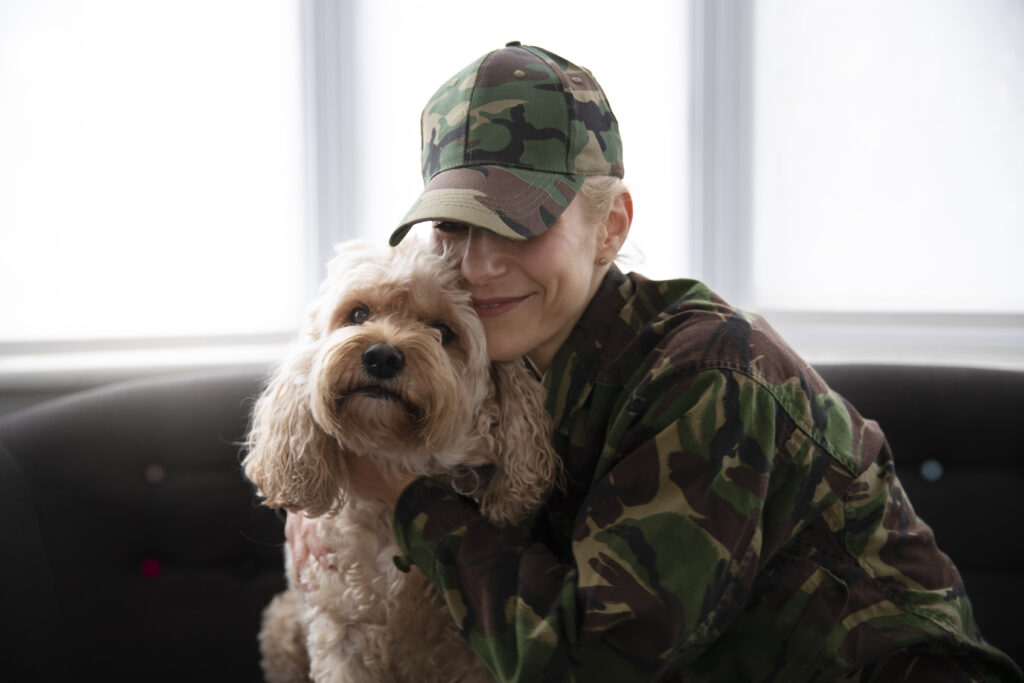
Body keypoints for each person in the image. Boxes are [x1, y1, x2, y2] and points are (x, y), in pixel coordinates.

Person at [287, 42, 1023, 681]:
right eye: (454, 224)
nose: (478, 265)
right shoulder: (506, 372)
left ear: (611, 225)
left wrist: (407, 499)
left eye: (523, 222)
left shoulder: (711, 377)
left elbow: (594, 662)